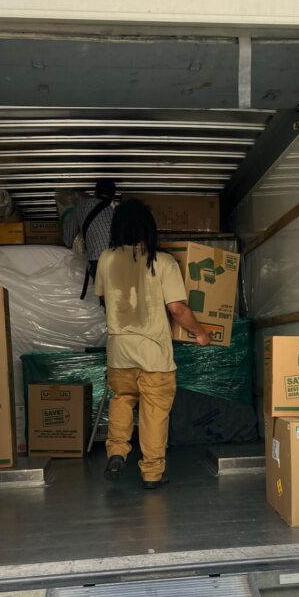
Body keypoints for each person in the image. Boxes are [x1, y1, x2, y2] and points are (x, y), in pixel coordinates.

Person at [94, 199, 211, 489]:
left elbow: (102, 298)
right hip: (154, 356)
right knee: (154, 413)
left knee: (122, 401)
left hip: (119, 353)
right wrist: (200, 333)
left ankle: (118, 451)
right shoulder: (163, 262)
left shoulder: (106, 259)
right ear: (148, 226)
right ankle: (152, 473)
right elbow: (177, 309)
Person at [62, 179, 117, 297]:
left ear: (95, 192)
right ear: (114, 195)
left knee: (108, 302)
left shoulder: (82, 205)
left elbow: (67, 239)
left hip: (98, 260)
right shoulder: (118, 209)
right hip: (121, 260)